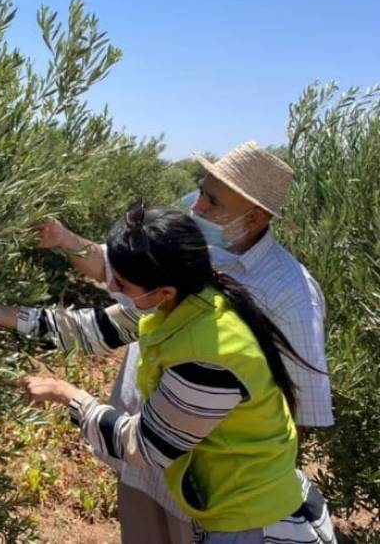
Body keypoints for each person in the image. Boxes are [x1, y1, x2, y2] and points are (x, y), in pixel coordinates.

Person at [0, 205, 336, 544]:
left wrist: (67, 395)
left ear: (163, 291)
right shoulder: (181, 300)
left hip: (249, 522)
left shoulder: (210, 354)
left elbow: (141, 446)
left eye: (122, 283)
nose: (115, 289)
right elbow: (90, 329)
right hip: (220, 503)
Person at [25, 142, 332, 543]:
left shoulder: (290, 291)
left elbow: (300, 408)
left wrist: (252, 477)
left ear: (254, 217)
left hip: (209, 488)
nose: (197, 206)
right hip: (143, 458)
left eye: (212, 199)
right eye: (201, 190)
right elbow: (115, 276)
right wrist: (65, 240)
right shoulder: (197, 250)